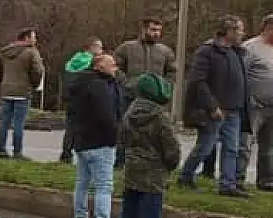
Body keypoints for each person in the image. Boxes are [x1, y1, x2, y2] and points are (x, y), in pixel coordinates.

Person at [116, 73, 181, 218]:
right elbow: (171, 148)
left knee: (129, 214)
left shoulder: (130, 112)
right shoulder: (160, 117)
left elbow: (123, 139)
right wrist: (170, 165)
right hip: (153, 172)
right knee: (152, 217)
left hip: (133, 168)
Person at [178, 15, 249, 197]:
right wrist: (212, 105)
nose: (243, 33)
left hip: (234, 109)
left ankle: (228, 185)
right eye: (240, 29)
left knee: (232, 149)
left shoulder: (236, 52)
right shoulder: (208, 51)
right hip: (215, 110)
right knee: (205, 147)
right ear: (230, 31)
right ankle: (186, 176)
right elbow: (199, 81)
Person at [66, 52, 122, 218]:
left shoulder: (80, 83)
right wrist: (116, 135)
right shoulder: (100, 86)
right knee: (104, 185)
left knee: (82, 182)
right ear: (99, 67)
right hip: (100, 140)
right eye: (111, 64)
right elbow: (106, 115)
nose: (115, 68)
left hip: (82, 139)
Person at [113, 17, 178, 168]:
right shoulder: (127, 48)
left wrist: (165, 88)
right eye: (153, 30)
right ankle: (120, 161)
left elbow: (172, 72)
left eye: (159, 31)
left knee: (154, 132)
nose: (156, 33)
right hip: (131, 97)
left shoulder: (165, 51)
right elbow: (116, 68)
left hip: (156, 100)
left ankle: (150, 163)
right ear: (144, 29)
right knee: (125, 129)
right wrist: (126, 84)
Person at [0, 28, 44, 159]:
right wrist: (33, 84)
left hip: (6, 90)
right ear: (26, 38)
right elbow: (38, 71)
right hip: (22, 91)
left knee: (4, 122)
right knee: (18, 123)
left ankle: (1, 150)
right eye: (33, 37)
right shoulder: (31, 52)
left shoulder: (5, 52)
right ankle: (17, 152)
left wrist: (2, 83)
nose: (35, 40)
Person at [237, 13, 273, 190]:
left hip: (271, 106)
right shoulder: (250, 48)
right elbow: (239, 75)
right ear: (268, 28)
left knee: (269, 147)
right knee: (245, 143)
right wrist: (246, 98)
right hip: (254, 105)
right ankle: (238, 178)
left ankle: (266, 180)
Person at [59, 37, 104, 163]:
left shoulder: (74, 60)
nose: (101, 50)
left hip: (71, 98)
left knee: (70, 127)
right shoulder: (92, 62)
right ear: (91, 47)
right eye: (99, 47)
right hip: (85, 99)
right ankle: (85, 155)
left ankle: (66, 153)